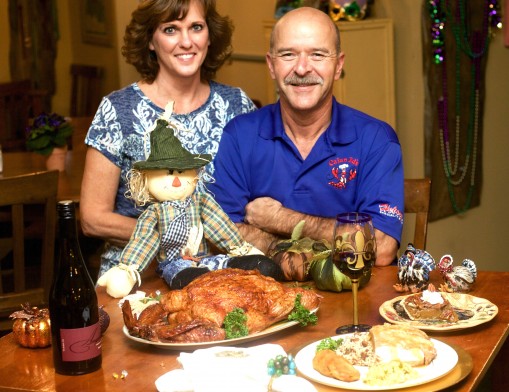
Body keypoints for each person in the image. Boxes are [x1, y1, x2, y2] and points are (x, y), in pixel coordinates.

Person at [208, 7, 404, 266]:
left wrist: (280, 219)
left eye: (318, 55)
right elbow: (220, 236)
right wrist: (283, 249)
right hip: (265, 298)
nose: (302, 68)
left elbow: (380, 247)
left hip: (356, 298)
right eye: (288, 54)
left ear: (338, 65)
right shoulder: (239, 135)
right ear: (271, 65)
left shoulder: (376, 140)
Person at [80, 0, 257, 277]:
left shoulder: (237, 105)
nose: (186, 41)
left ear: (209, 35)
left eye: (196, 27)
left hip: (224, 274)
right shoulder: (118, 109)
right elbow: (92, 219)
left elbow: (259, 197)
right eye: (171, 29)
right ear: (150, 40)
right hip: (137, 275)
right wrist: (173, 236)